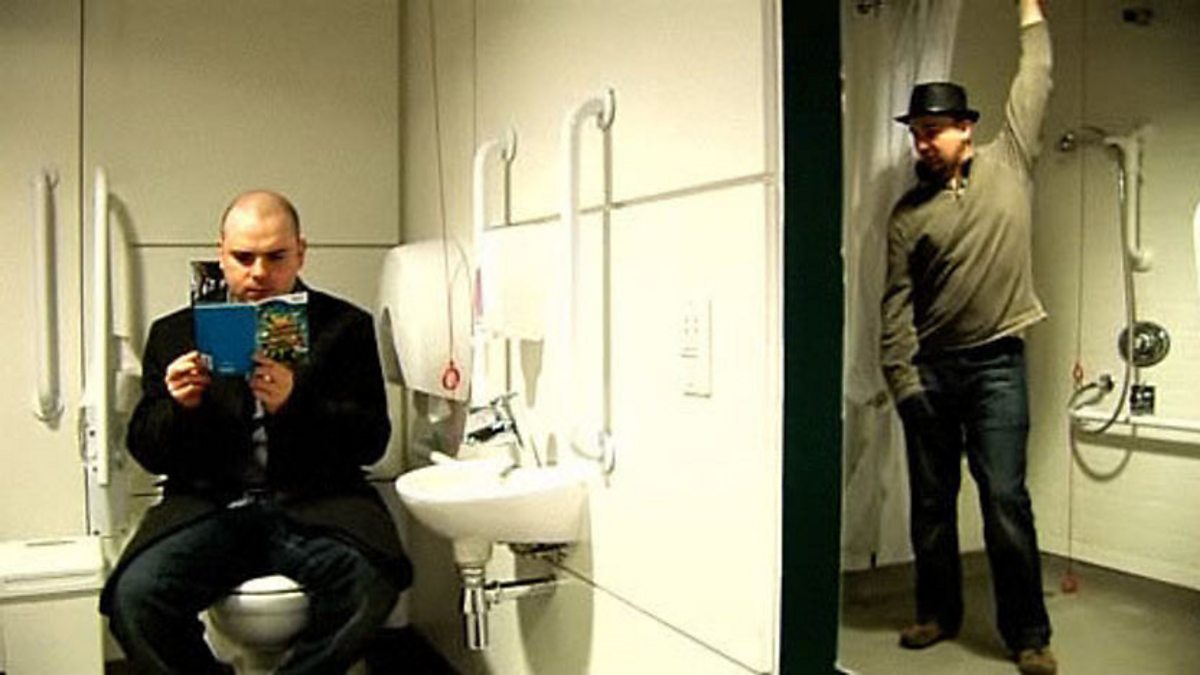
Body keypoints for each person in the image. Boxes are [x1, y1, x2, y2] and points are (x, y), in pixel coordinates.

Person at [100, 190, 411, 674]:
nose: (259, 272)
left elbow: (372, 441)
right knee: (135, 598)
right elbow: (148, 450)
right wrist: (180, 407)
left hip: (318, 502)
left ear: (301, 253)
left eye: (276, 256)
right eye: (243, 257)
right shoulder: (175, 333)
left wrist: (295, 403)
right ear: (221, 254)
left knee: (371, 585)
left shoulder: (345, 327)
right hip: (209, 505)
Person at [879, 1, 1057, 673]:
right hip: (930, 374)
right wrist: (904, 386)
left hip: (998, 368)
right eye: (915, 134)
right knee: (931, 504)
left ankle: (1028, 634)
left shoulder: (1010, 161)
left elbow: (1036, 73)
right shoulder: (907, 214)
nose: (921, 144)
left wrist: (1028, 9)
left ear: (965, 128)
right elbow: (893, 307)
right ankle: (936, 613)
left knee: (1005, 499)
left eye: (932, 131)